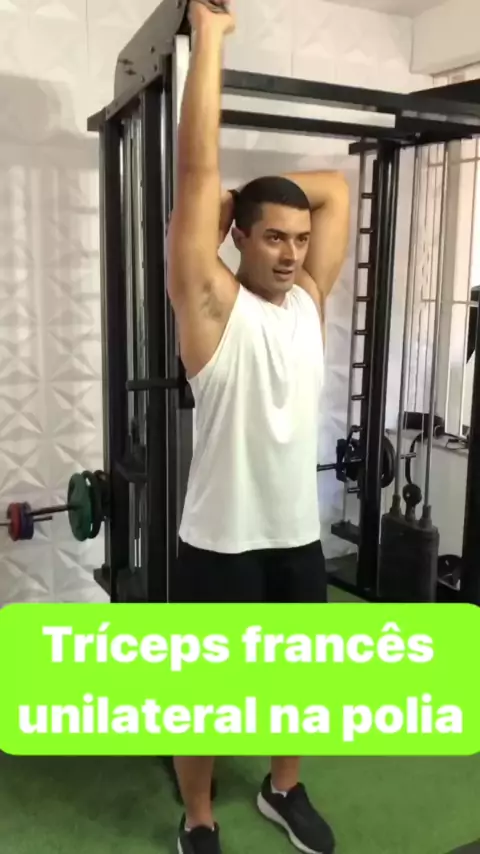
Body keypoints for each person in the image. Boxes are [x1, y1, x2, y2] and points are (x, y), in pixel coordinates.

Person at [167, 1, 350, 852]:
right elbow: (196, 173)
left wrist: (258, 199)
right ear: (236, 239)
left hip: (294, 537)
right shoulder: (212, 307)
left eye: (298, 240)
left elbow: (336, 191)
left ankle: (283, 787)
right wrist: (210, 38)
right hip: (220, 541)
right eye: (272, 237)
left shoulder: (307, 302)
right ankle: (198, 818)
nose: (290, 253)